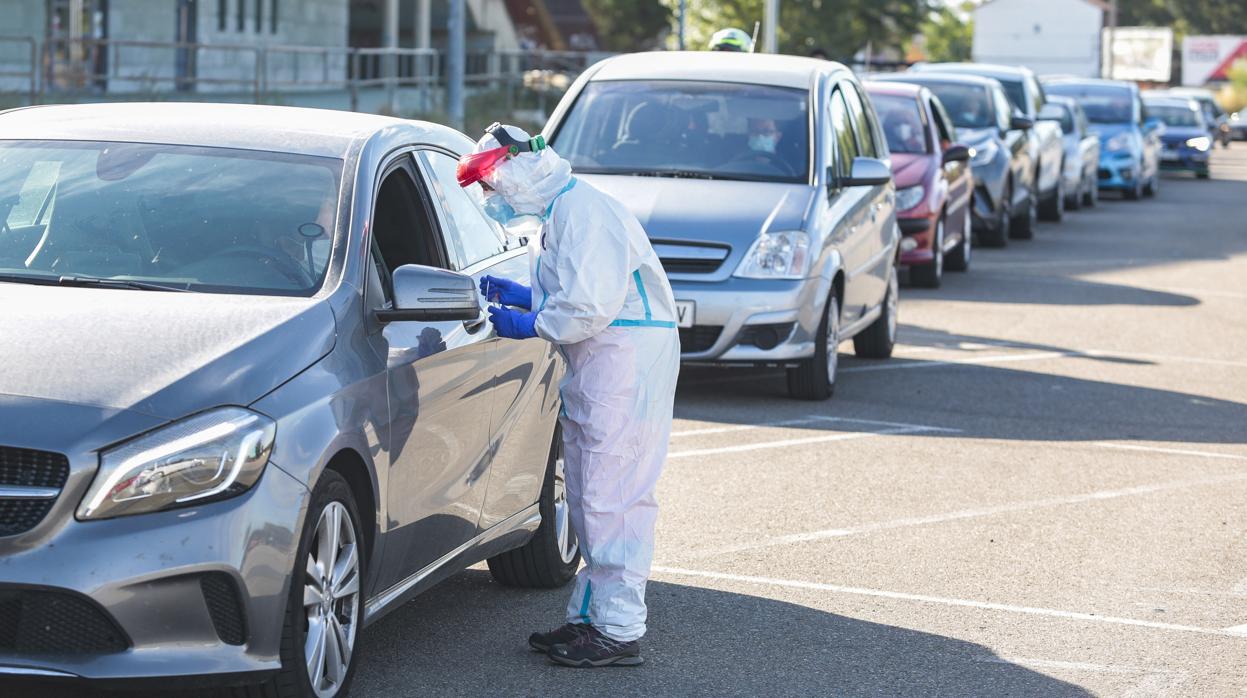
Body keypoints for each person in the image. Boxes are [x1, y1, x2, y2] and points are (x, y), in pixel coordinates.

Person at [456, 123, 681, 668]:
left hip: (624, 360)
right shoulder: (564, 213)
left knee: (613, 496)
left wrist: (531, 322)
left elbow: (585, 308)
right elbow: (576, 289)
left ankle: (618, 630)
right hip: (604, 360)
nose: (490, 199)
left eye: (490, 186)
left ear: (515, 174)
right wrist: (527, 296)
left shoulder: (585, 213)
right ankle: (591, 620)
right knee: (586, 492)